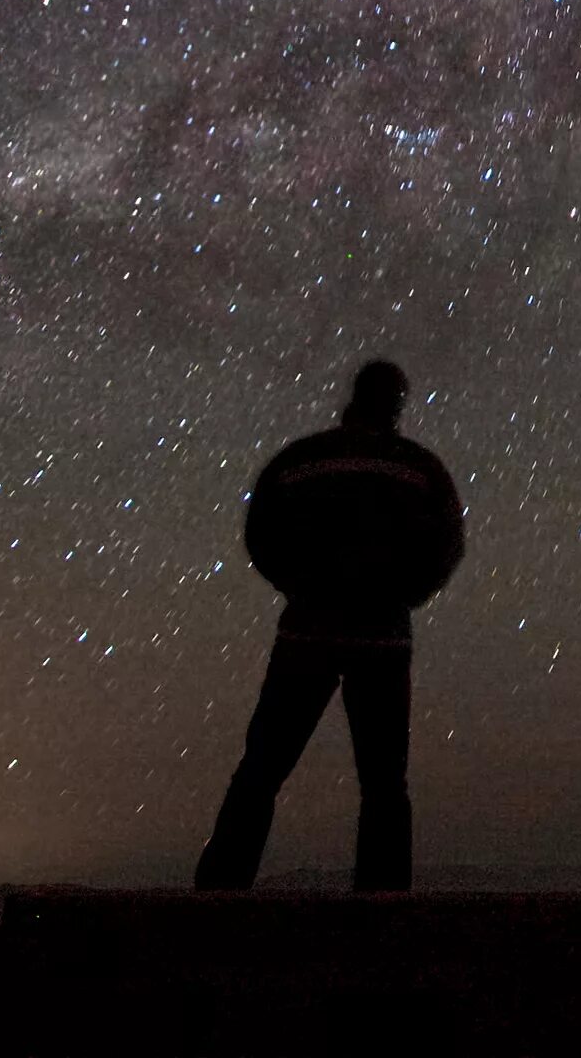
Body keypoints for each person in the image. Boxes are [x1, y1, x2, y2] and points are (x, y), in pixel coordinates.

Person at [194, 357, 465, 892]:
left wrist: (300, 587)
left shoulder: (300, 460)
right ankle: (382, 905)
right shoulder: (418, 467)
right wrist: (405, 595)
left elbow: (260, 533)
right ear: (396, 405)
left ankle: (219, 893)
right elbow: (448, 543)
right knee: (384, 783)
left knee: (262, 768)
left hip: (306, 632)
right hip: (382, 638)